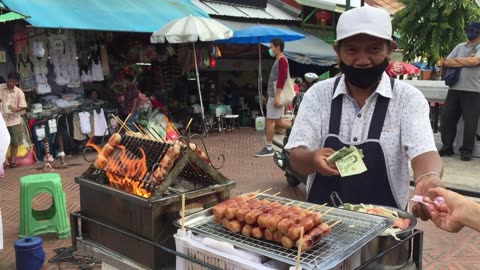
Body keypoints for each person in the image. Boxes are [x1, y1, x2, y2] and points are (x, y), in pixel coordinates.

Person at [285, 5, 443, 217]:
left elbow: (424, 152)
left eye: (374, 49)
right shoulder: (318, 95)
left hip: (385, 233)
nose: (362, 60)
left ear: (390, 48)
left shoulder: (408, 99)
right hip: (321, 229)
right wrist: (313, 159)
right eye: (351, 50)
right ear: (337, 51)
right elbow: (296, 157)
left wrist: (428, 179)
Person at [439, 21, 480, 161]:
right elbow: (446, 62)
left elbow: (475, 62)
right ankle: (447, 146)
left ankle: (466, 151)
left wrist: (457, 60)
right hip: (455, 88)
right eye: (468, 29)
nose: (470, 32)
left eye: (473, 30)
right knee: (447, 119)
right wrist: (466, 60)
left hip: (474, 90)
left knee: (470, 122)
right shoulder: (460, 46)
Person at [255, 38, 292, 157]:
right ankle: (296, 125)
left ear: (278, 47)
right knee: (278, 121)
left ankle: (269, 147)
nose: (270, 49)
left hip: (275, 95)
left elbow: (281, 79)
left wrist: (276, 97)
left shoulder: (282, 60)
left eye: (271, 47)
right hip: (273, 95)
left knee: (270, 121)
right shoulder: (280, 60)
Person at [0, 72, 27, 168]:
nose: (11, 83)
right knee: (3, 141)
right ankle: (4, 162)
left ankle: (13, 161)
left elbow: (23, 107)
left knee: (15, 141)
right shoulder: (1, 87)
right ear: (7, 79)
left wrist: (16, 109)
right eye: (10, 81)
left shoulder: (19, 92)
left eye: (14, 82)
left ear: (16, 82)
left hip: (14, 120)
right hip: (2, 120)